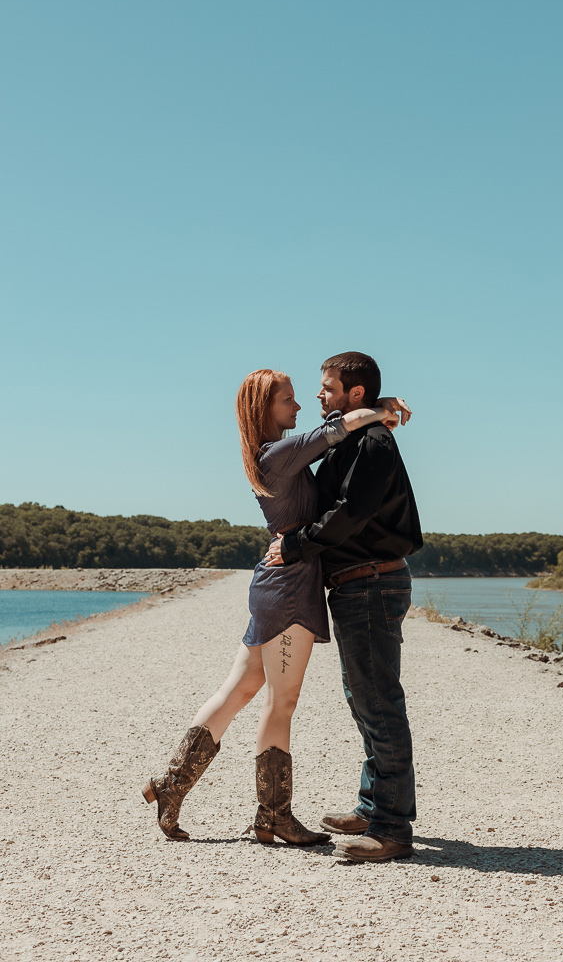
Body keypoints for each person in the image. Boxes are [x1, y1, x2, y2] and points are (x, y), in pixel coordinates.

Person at [143, 370, 409, 843]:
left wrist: (379, 403)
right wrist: (382, 408)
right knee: (279, 701)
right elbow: (336, 429)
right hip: (290, 588)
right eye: (289, 400)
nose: (299, 406)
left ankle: (170, 785)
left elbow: (336, 423)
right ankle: (273, 817)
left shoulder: (270, 453)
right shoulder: (279, 453)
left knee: (239, 689)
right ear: (265, 408)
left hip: (276, 583)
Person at [265, 351, 423, 863]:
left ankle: (392, 829)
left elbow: (349, 514)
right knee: (364, 698)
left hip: (373, 583)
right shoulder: (354, 434)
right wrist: (380, 406)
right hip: (357, 585)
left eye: (327, 387)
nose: (318, 395)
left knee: (378, 702)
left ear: (355, 393)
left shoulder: (373, 442)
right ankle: (373, 805)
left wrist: (294, 545)